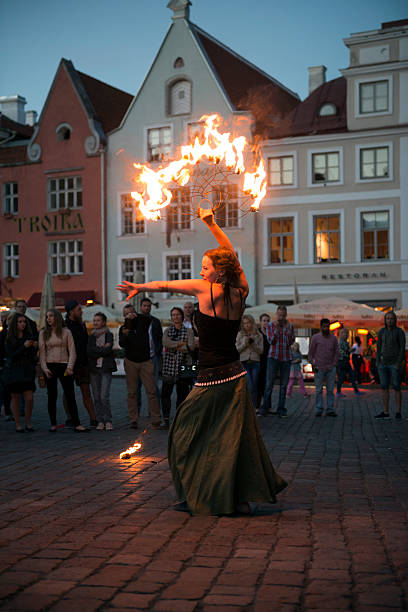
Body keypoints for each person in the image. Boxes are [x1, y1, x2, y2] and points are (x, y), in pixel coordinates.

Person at [118, 206, 287, 516]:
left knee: (183, 435)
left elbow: (166, 285)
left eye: (205, 266)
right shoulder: (241, 291)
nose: (200, 271)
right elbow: (232, 256)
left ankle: (198, 495)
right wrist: (211, 223)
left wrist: (138, 287)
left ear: (217, 272)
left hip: (210, 380)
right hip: (235, 378)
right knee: (232, 442)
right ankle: (236, 498)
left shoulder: (206, 290)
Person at [39, 308, 89, 432]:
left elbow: (72, 351)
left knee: (70, 395)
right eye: (47, 317)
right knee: (52, 395)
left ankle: (77, 423)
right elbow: (42, 353)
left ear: (57, 317)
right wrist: (44, 368)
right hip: (50, 366)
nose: (48, 319)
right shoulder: (43, 333)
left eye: (51, 316)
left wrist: (70, 367)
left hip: (65, 365)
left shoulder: (66, 332)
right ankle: (53, 423)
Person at [119, 304, 161, 430]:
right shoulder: (123, 328)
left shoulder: (143, 322)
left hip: (146, 361)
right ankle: (133, 420)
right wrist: (126, 334)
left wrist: (137, 315)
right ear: (124, 316)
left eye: (131, 312)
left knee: (152, 391)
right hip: (131, 362)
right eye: (126, 314)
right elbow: (122, 344)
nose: (129, 315)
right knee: (132, 392)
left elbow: (149, 319)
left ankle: (156, 419)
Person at [161, 307, 195, 429]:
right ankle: (165, 419)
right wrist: (180, 343)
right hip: (169, 366)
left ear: (181, 316)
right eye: (173, 315)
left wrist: (174, 344)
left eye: (178, 314)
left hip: (183, 366)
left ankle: (179, 419)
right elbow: (165, 343)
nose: (176, 317)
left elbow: (191, 346)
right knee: (166, 394)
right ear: (171, 317)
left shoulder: (189, 331)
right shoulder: (167, 331)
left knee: (182, 395)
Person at [65, 300, 97, 427]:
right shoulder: (65, 326)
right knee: (68, 393)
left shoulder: (82, 325)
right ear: (71, 311)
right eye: (79, 309)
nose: (81, 311)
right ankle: (71, 417)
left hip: (82, 363)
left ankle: (93, 418)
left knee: (86, 391)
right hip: (68, 363)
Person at [3, 314, 37, 432]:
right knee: (16, 397)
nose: (22, 324)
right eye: (20, 322)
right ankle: (18, 424)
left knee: (29, 398)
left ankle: (28, 422)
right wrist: (24, 346)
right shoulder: (10, 338)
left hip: (27, 370)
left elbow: (32, 355)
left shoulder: (29, 336)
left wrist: (34, 347)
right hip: (14, 370)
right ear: (15, 324)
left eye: (24, 321)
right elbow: (11, 355)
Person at [260, 305, 295, 418]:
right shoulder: (271, 326)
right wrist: (276, 330)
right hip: (273, 357)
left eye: (283, 315)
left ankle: (281, 409)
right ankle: (264, 408)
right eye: (279, 315)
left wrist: (288, 331)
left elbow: (291, 342)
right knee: (269, 383)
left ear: (286, 315)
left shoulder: (290, 326)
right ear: (276, 315)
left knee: (284, 385)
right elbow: (271, 341)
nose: (281, 317)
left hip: (286, 357)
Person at [88, 312, 117, 430]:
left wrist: (98, 350)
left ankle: (108, 420)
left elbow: (108, 350)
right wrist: (102, 349)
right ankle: (100, 420)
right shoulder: (91, 336)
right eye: (94, 320)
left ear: (104, 322)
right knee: (96, 397)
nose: (95, 322)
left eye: (98, 320)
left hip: (106, 368)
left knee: (104, 396)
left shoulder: (109, 334)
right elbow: (89, 351)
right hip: (94, 369)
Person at [375, 311, 406, 420]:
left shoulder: (399, 332)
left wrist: (398, 363)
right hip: (383, 364)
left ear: (395, 320)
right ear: (385, 320)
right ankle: (385, 411)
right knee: (384, 387)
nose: (389, 320)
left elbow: (402, 349)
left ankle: (398, 412)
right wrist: (378, 362)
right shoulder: (381, 332)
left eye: (391, 318)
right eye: (387, 318)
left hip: (394, 364)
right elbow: (378, 348)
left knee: (397, 387)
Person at [308, 319, 339, 417]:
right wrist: (313, 364)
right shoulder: (315, 338)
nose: (326, 328)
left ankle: (330, 409)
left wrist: (334, 364)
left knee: (330, 390)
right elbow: (311, 352)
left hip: (330, 367)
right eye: (324, 326)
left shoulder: (333, 338)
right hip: (319, 367)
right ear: (321, 327)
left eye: (327, 326)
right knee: (318, 390)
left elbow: (336, 352)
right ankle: (319, 408)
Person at [136, 297, 163, 412]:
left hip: (152, 358)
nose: (147, 308)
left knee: (153, 387)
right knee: (136, 387)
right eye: (144, 305)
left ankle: (155, 412)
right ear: (141, 307)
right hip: (138, 359)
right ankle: (136, 412)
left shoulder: (155, 321)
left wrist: (157, 351)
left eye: (148, 306)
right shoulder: (136, 320)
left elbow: (160, 339)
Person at [236, 314, 263, 408]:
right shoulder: (240, 334)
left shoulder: (258, 335)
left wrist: (253, 344)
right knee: (249, 386)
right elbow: (236, 350)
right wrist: (245, 344)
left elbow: (261, 351)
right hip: (244, 363)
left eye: (248, 323)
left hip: (255, 363)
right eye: (245, 323)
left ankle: (254, 407)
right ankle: (246, 407)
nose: (247, 325)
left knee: (254, 387)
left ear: (252, 323)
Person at [336, 329, 364, 397]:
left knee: (351, 375)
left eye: (347, 334)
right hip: (342, 361)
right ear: (342, 334)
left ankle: (355, 391)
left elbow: (347, 350)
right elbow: (340, 352)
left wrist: (350, 351)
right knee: (342, 377)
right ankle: (339, 391)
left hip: (346, 360)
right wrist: (348, 351)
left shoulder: (345, 342)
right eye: (346, 334)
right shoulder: (340, 342)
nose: (347, 335)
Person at [256, 314, 270, 410]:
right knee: (259, 384)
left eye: (267, 321)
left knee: (268, 384)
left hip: (269, 361)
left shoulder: (270, 334)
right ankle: (257, 405)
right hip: (259, 361)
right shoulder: (257, 333)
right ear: (260, 322)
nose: (265, 322)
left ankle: (267, 406)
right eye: (264, 320)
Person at [0, 311, 12, 420]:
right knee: (4, 389)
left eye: (5, 317)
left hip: (11, 364)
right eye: (2, 317)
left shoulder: (10, 333)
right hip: (4, 365)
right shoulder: (2, 333)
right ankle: (6, 410)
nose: (3, 319)